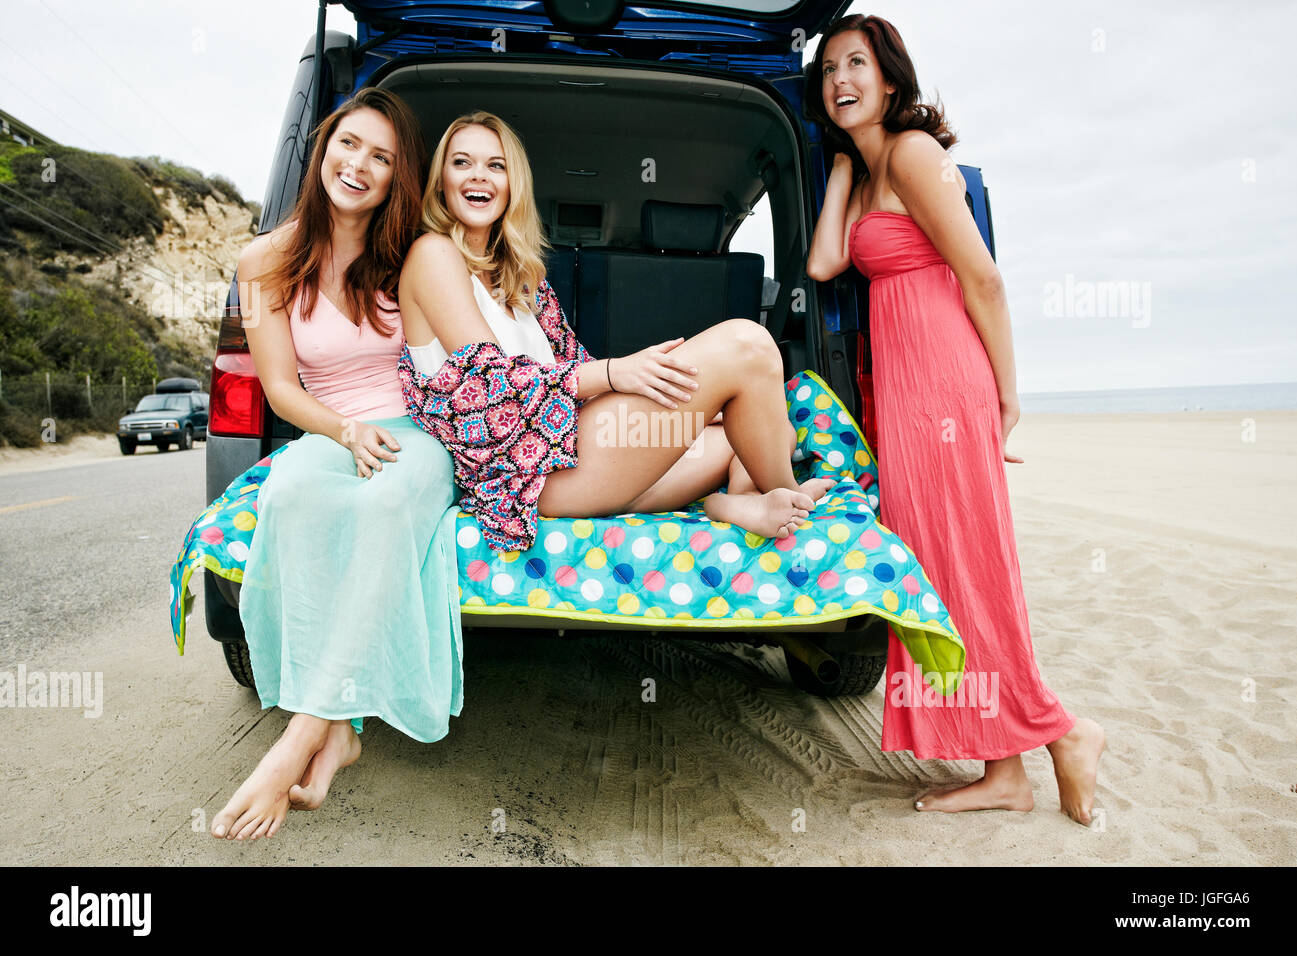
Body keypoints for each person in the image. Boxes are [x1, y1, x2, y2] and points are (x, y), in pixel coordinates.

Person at [803, 14, 1105, 824]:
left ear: (890, 79)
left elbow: (984, 279)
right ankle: (1005, 771)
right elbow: (825, 262)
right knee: (940, 571)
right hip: (904, 393)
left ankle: (1063, 732)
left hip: (946, 384)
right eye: (828, 68)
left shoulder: (912, 153)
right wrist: (841, 169)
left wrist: (1007, 395)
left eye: (856, 63)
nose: (840, 79)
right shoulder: (869, 169)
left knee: (970, 567)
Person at [394, 110, 836, 555]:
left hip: (580, 453)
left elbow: (573, 365)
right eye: (462, 162)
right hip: (527, 476)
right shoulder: (433, 254)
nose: (479, 176)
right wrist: (614, 373)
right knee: (748, 345)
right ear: (441, 181)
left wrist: (703, 403)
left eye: (496, 165)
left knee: (762, 428)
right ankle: (787, 494)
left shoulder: (524, 278)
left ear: (514, 184)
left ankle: (736, 501)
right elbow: (493, 382)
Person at [208, 88, 463, 842]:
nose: (359, 165)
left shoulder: (414, 252)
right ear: (323, 150)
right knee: (287, 496)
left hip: (419, 429)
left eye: (381, 157)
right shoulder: (264, 259)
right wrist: (345, 431)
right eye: (348, 144)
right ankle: (343, 729)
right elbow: (280, 389)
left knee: (384, 507)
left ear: (396, 178)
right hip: (329, 426)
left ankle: (300, 738)